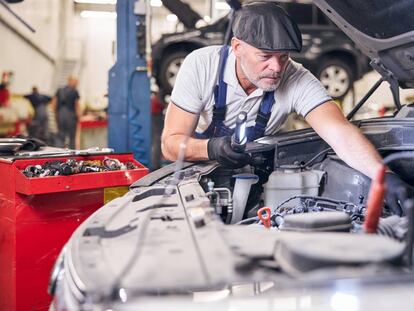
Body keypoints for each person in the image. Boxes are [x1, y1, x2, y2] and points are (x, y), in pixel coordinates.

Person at [161, 2, 413, 215]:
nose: (277, 67)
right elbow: (170, 144)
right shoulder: (202, 66)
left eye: (283, 57)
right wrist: (210, 147)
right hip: (194, 176)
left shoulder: (296, 78)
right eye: (265, 56)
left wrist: (383, 175)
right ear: (237, 47)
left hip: (250, 178)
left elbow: (340, 133)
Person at [51, 76, 81, 149]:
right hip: (71, 115)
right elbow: (76, 105)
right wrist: (79, 116)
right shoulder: (74, 91)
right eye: (76, 82)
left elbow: (53, 104)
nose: (76, 84)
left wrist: (56, 114)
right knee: (72, 136)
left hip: (60, 114)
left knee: (61, 135)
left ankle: (60, 151)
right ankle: (72, 152)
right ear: (70, 81)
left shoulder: (59, 90)